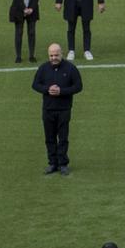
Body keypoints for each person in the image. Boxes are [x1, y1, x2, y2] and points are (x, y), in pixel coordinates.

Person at [33, 42, 84, 175]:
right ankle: (52, 163)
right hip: (48, 109)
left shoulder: (70, 68)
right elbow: (35, 84)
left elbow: (78, 86)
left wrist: (61, 91)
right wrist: (47, 89)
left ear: (61, 54)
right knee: (49, 138)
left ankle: (63, 164)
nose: (54, 58)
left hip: (64, 109)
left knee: (63, 138)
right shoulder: (43, 69)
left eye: (56, 55)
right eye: (51, 55)